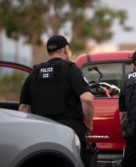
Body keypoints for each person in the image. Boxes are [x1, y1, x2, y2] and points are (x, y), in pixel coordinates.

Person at [18, 35, 94, 167]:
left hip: (42, 132)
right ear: (65, 49)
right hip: (70, 132)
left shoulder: (34, 73)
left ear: (49, 51)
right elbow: (87, 98)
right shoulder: (70, 69)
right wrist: (88, 124)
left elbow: (24, 109)